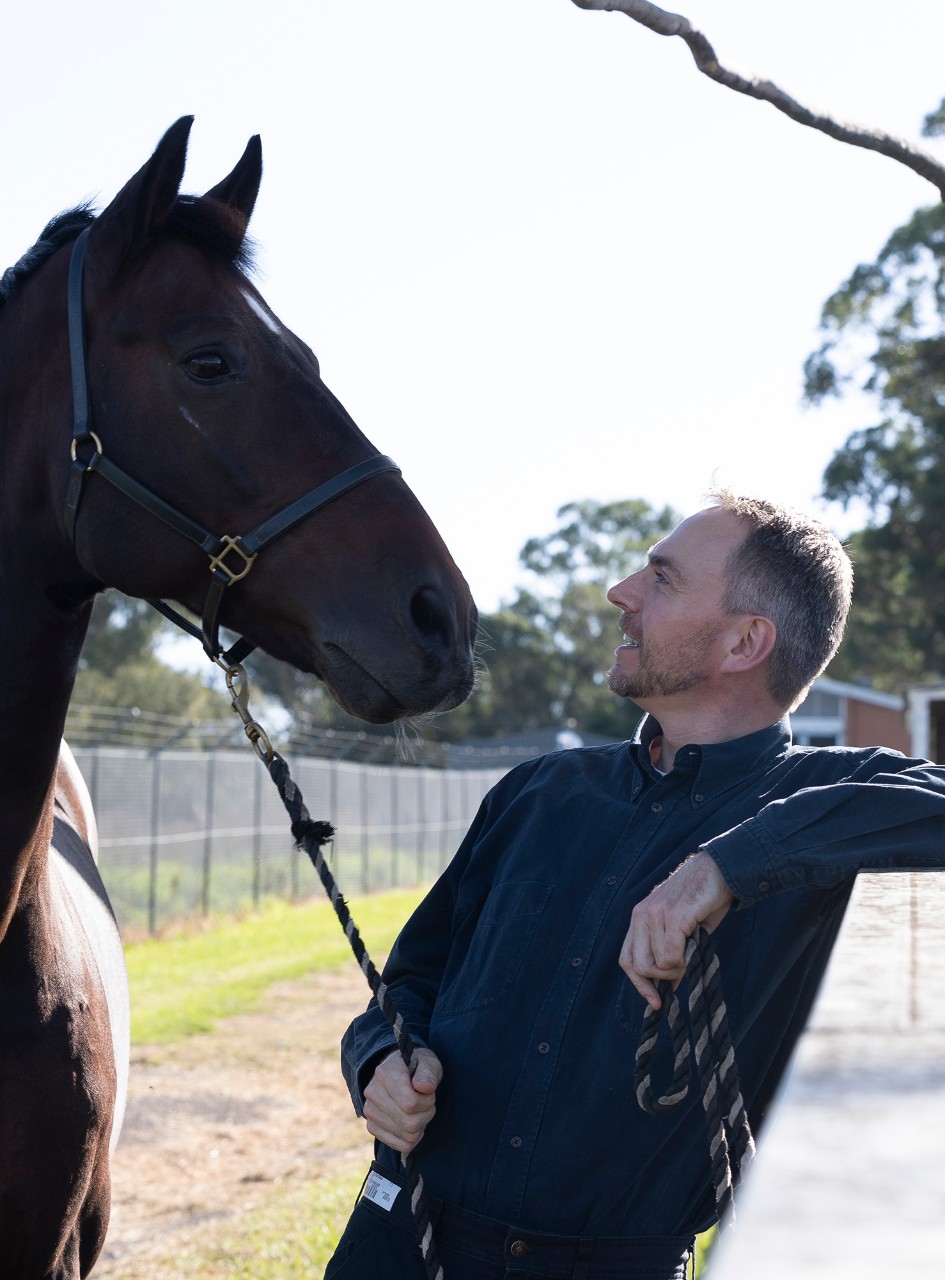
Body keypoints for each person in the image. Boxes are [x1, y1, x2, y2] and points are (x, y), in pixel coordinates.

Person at [325, 491, 945, 1280]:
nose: (621, 592)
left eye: (662, 578)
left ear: (744, 642)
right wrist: (378, 1060)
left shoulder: (829, 798)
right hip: (397, 1241)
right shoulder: (535, 792)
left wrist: (731, 863)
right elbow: (408, 985)